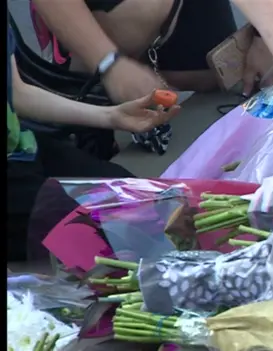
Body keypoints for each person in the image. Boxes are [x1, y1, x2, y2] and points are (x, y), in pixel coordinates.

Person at [31, 0, 273, 152]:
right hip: (96, 25)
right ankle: (91, 99)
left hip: (178, 13)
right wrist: (108, 63)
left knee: (217, 82)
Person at [7, 23, 180, 262]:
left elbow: (17, 93)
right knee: (100, 239)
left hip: (22, 148)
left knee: (150, 204)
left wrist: (111, 116)